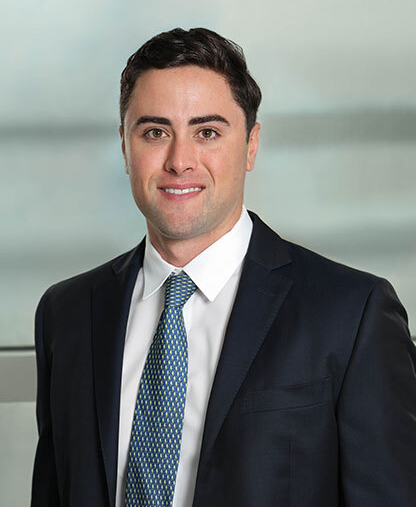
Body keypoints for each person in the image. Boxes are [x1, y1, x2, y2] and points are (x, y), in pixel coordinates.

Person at [31, 27, 416, 507]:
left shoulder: (352, 314)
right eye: (155, 132)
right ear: (126, 147)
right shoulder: (65, 314)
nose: (179, 161)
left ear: (251, 145)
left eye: (207, 132)